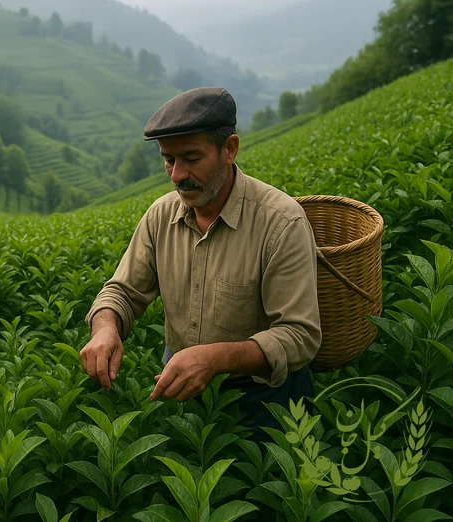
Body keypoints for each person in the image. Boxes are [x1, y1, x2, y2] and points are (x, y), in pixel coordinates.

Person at [79, 87, 321, 432]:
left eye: (192, 159)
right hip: (180, 388)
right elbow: (122, 291)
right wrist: (105, 328)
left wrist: (215, 359)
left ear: (229, 150)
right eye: (168, 160)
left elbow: (300, 335)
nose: (177, 174)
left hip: (264, 400)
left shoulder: (281, 222)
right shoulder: (160, 216)